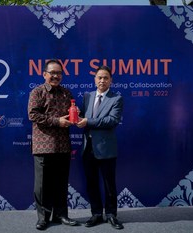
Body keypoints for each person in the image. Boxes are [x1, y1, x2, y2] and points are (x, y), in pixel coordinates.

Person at [28, 59, 79, 230]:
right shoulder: (37, 92)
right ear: (45, 74)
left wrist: (75, 115)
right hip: (44, 146)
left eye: (59, 73)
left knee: (61, 182)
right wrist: (57, 121)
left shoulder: (66, 93)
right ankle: (43, 217)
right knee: (42, 185)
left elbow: (72, 114)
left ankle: (60, 214)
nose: (56, 76)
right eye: (52, 73)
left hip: (63, 146)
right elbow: (33, 115)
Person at [77, 65, 124, 230]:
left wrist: (87, 121)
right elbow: (83, 116)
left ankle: (111, 215)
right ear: (94, 79)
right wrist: (77, 114)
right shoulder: (87, 96)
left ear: (111, 80)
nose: (102, 80)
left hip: (106, 149)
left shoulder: (116, 98)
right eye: (99, 77)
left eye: (106, 77)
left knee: (109, 184)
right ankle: (96, 213)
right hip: (88, 148)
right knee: (91, 183)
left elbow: (111, 121)